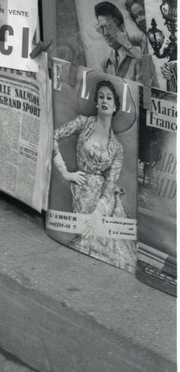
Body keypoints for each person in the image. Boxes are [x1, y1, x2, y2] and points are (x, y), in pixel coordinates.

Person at [52, 74, 137, 272]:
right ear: (96, 102)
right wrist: (65, 172)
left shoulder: (117, 148)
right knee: (84, 242)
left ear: (115, 107)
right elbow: (54, 136)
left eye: (109, 98)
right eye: (101, 97)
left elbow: (110, 182)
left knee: (111, 248)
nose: (104, 100)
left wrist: (99, 212)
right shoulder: (84, 122)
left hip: (104, 201)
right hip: (82, 190)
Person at [93, 0, 143, 82]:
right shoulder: (104, 63)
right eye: (102, 28)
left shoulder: (138, 61)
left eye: (110, 27)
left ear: (122, 27)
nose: (105, 33)